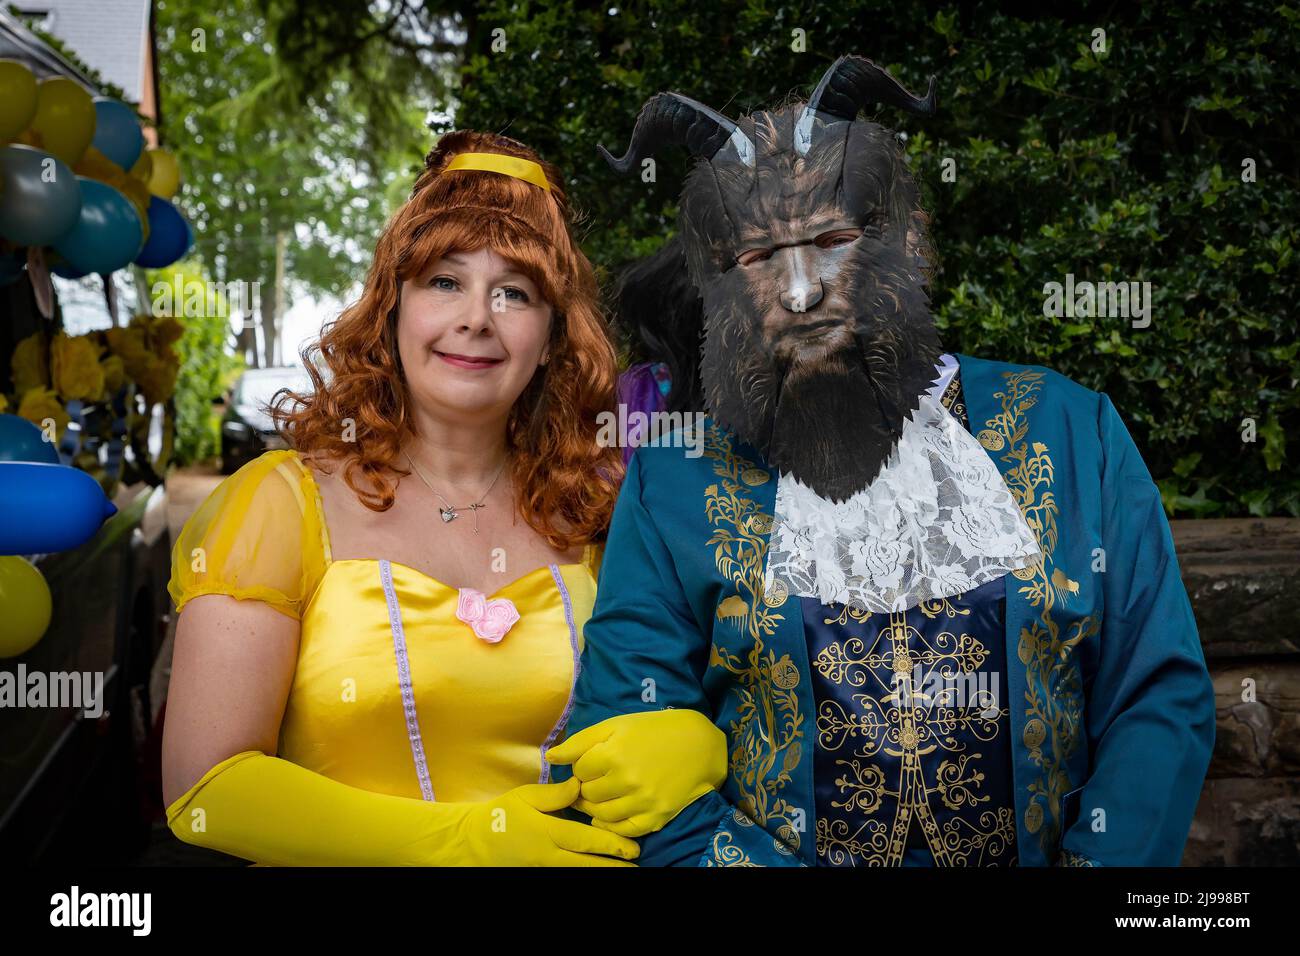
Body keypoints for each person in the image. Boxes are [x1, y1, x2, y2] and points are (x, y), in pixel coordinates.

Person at [549, 56, 1216, 866]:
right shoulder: (675, 478)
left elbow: (1158, 698)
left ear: (905, 240)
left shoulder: (1074, 432)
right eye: (760, 259)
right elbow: (623, 740)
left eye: (834, 239)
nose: (802, 291)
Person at [161, 130, 724, 866]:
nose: (476, 319)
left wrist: (708, 735)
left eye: (514, 293)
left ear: (552, 335)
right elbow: (205, 791)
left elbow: (702, 688)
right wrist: (461, 844)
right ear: (393, 306)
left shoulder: (603, 512)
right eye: (444, 281)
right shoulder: (278, 504)